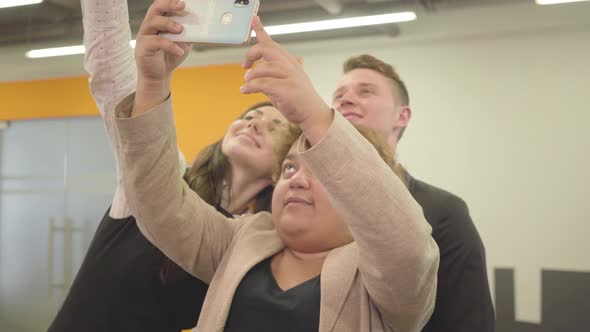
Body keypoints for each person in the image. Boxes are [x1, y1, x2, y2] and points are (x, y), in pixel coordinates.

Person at [112, 2, 440, 331]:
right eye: (289, 169)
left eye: (322, 173)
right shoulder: (242, 239)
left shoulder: (382, 281)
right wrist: (153, 84)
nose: (296, 181)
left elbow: (405, 247)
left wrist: (313, 113)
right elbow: (159, 205)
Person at [47, 0, 291, 331]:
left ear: (283, 169)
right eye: (249, 116)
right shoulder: (160, 177)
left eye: (275, 127)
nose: (254, 124)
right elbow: (111, 79)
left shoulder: (253, 242)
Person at [332, 54, 495, 331]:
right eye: (338, 95)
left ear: (402, 115)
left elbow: (468, 321)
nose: (345, 100)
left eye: (365, 92)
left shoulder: (444, 212)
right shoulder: (305, 202)